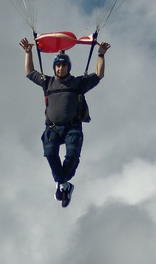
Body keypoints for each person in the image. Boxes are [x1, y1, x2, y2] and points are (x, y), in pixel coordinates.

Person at [19, 37, 111, 207]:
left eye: (64, 65)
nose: (60, 68)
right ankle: (64, 185)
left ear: (69, 67)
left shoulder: (78, 83)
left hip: (72, 128)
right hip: (52, 128)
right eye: (58, 66)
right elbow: (29, 72)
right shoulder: (47, 82)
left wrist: (101, 54)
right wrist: (28, 52)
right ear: (54, 67)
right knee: (50, 153)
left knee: (72, 156)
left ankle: (62, 183)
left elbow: (99, 74)